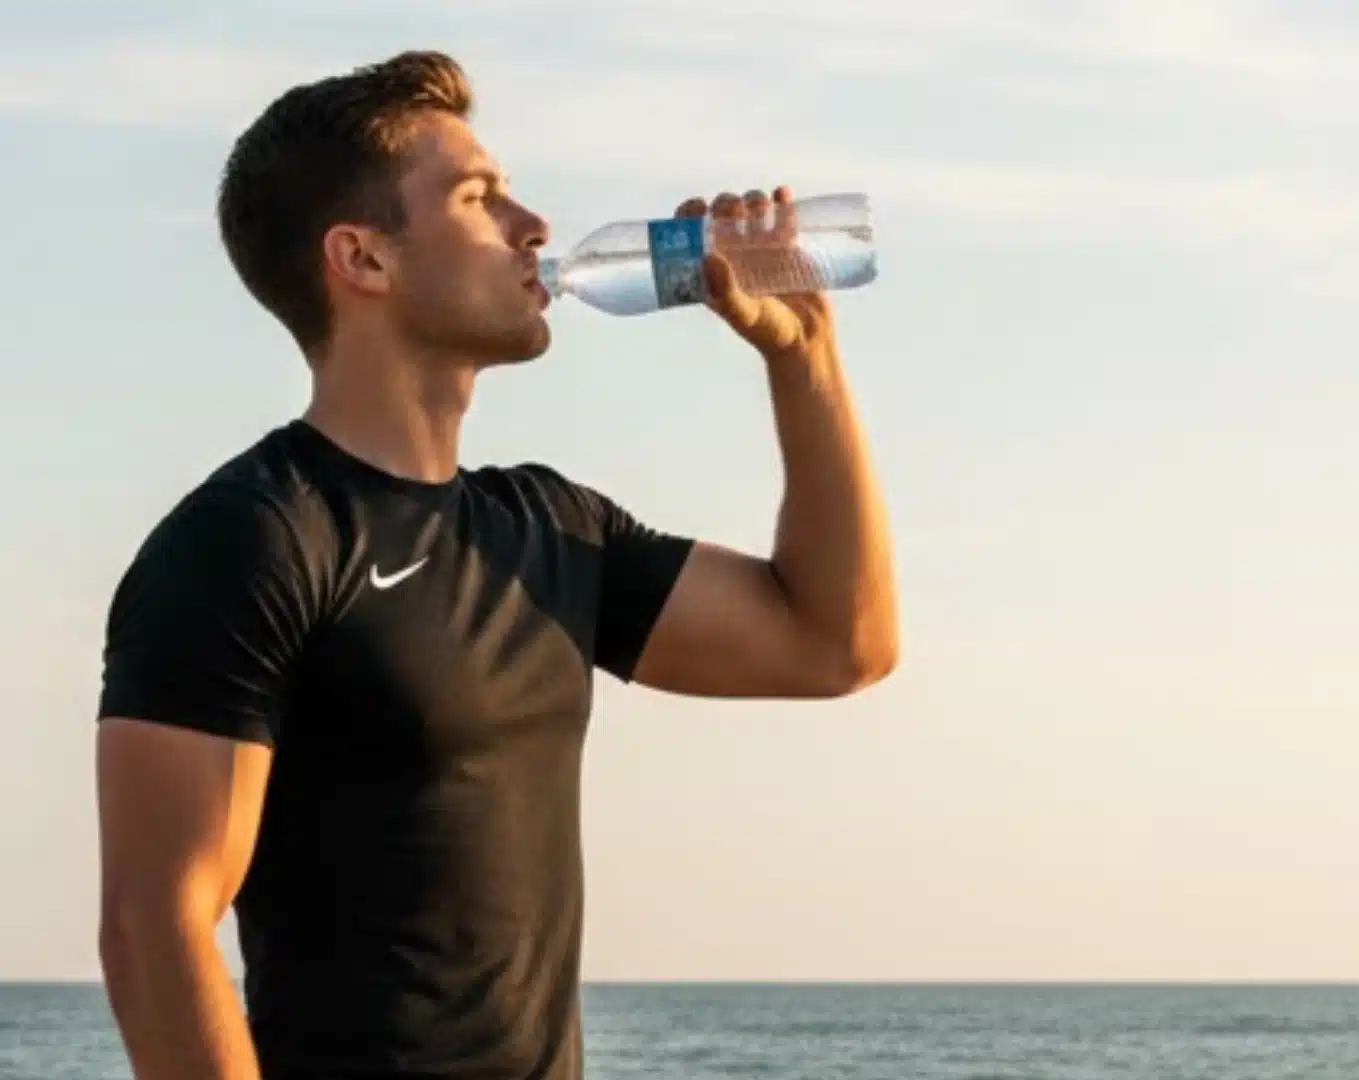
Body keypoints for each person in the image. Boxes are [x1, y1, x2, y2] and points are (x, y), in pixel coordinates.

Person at [92, 50, 900, 1080]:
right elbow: (153, 926)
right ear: (364, 260)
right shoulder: (254, 538)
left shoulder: (551, 529)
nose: (535, 228)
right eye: (480, 199)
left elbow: (837, 643)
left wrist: (804, 358)